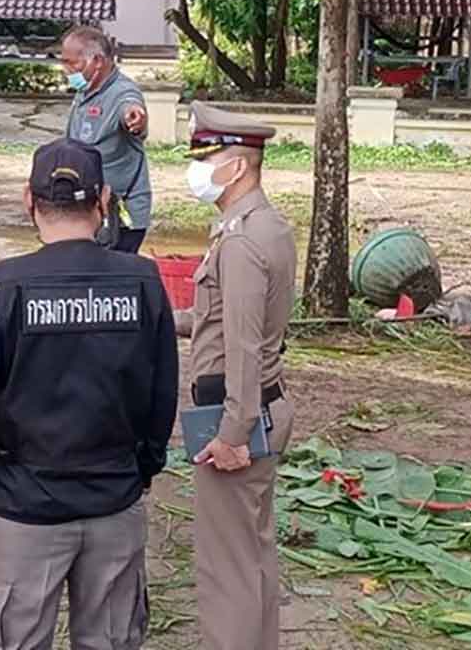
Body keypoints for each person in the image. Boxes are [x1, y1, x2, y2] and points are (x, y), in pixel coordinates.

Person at [0, 139, 178, 650]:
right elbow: (162, 393)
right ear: (104, 200)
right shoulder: (142, 280)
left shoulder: (2, 285)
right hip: (114, 499)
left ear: (29, 200)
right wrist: (145, 468)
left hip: (25, 507)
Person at [175, 103, 297, 650]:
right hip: (259, 404)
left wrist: (231, 434)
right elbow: (223, 321)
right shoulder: (262, 226)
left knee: (228, 567)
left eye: (209, 158)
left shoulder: (243, 242)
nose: (199, 170)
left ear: (240, 167)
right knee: (252, 554)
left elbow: (244, 348)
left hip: (238, 411)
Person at [60, 25, 151, 253]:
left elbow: (130, 108)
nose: (66, 70)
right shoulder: (87, 90)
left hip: (120, 215)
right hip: (90, 208)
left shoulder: (121, 92)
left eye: (72, 63)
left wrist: (135, 118)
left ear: (97, 61)